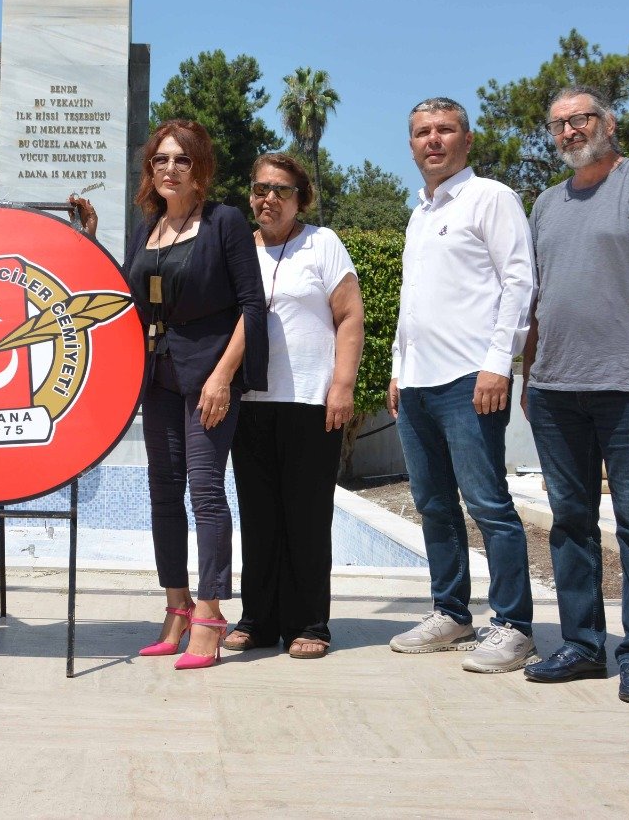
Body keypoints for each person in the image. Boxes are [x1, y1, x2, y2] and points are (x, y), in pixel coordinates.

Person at [521, 85, 629, 705]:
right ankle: (583, 645)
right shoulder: (544, 204)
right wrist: (528, 374)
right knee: (569, 523)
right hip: (555, 389)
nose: (569, 131)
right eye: (558, 124)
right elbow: (537, 299)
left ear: (608, 122)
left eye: (581, 118)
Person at [386, 97, 539, 673]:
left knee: (488, 504)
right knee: (433, 504)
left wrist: (501, 363)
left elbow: (519, 282)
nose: (433, 140)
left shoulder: (491, 198)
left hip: (471, 381)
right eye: (422, 131)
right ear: (411, 144)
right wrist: (399, 368)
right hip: (420, 382)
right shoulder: (419, 213)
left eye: (445, 130)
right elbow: (414, 301)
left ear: (466, 140)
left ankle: (514, 625)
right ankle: (451, 612)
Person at [126, 120, 266, 669]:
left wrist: (222, 377)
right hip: (156, 375)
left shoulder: (224, 222)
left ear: (199, 167)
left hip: (209, 376)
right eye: (160, 160)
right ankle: (176, 606)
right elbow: (122, 298)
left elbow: (252, 308)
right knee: (163, 492)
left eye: (181, 159)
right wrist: (87, 241)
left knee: (205, 491)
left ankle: (210, 612)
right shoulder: (146, 229)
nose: (169, 169)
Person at [226, 154, 363, 660]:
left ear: (299, 198)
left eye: (281, 190)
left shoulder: (322, 244)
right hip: (252, 401)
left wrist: (342, 385)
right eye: (261, 188)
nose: (269, 199)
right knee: (259, 516)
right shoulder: (237, 246)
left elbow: (349, 316)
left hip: (311, 399)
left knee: (306, 516)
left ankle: (311, 622)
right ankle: (257, 620)